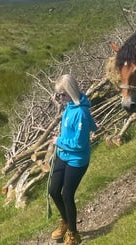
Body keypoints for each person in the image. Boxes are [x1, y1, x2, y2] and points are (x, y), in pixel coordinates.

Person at [48, 74, 98, 245]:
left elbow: (79, 143)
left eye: (62, 94)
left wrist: (58, 141)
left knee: (67, 195)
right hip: (63, 154)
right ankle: (66, 221)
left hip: (77, 159)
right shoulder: (70, 106)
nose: (60, 98)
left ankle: (73, 233)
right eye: (58, 95)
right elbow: (91, 126)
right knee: (53, 190)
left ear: (70, 92)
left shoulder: (81, 112)